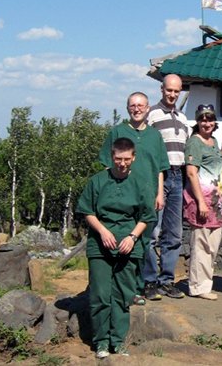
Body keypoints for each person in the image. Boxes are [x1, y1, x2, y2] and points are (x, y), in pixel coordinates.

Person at [78, 137, 155, 358]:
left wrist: (132, 237)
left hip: (128, 245)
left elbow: (146, 216)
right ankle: (101, 342)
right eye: (118, 159)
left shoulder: (141, 183)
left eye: (126, 159)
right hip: (100, 245)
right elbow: (87, 211)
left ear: (134, 158)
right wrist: (102, 231)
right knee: (100, 295)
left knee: (123, 295)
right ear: (112, 157)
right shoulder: (97, 181)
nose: (122, 163)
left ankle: (118, 341)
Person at [99, 92, 169, 305]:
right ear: (127, 108)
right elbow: (106, 164)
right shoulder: (118, 132)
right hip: (123, 198)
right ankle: (119, 288)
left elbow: (159, 168)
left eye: (141, 105)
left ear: (148, 108)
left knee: (144, 243)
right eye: (133, 105)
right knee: (122, 241)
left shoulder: (154, 136)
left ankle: (139, 287)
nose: (137, 109)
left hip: (148, 198)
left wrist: (159, 193)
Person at [143, 74, 190, 299]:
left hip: (178, 175)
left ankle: (167, 281)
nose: (172, 94)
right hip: (158, 176)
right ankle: (149, 281)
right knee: (153, 231)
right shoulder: (151, 114)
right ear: (162, 89)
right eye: (169, 90)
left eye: (176, 91)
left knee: (174, 233)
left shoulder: (182, 117)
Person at [183, 104, 222, 300]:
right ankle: (198, 286)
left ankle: (206, 282)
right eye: (203, 119)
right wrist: (200, 202)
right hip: (202, 200)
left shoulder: (214, 142)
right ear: (198, 121)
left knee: (212, 245)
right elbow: (192, 173)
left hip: (217, 201)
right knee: (201, 243)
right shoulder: (195, 142)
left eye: (210, 119)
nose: (206, 123)